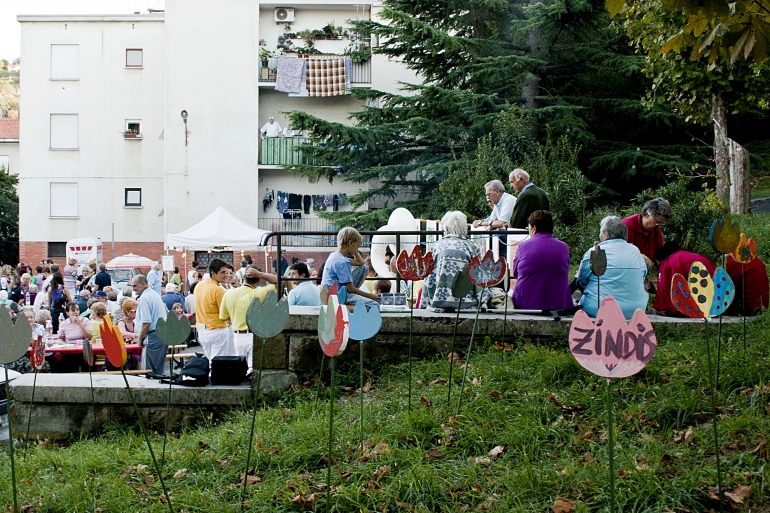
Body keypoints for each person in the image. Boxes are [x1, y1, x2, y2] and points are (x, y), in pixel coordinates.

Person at [576, 216, 648, 318]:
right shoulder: (636, 251)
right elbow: (643, 276)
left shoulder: (596, 251)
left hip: (598, 308)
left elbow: (582, 280)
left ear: (606, 236)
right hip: (634, 310)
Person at [423, 211, 488, 312]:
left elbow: (429, 277)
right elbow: (479, 277)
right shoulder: (472, 247)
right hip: (466, 304)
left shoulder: (437, 246)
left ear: (447, 229)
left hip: (439, 302)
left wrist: (425, 302)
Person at [511, 210, 573, 310]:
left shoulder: (523, 246)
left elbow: (515, 273)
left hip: (526, 303)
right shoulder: (564, 247)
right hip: (559, 304)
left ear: (534, 228)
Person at [219, 267, 267, 373]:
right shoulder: (260, 293)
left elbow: (223, 317)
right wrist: (261, 274)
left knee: (240, 368)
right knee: (252, 369)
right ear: (258, 281)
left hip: (238, 335)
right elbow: (278, 281)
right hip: (255, 334)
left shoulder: (229, 294)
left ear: (244, 278)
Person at [321, 227, 380, 309]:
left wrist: (355, 250)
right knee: (374, 305)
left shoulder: (335, 256)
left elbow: (361, 263)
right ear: (350, 242)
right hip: (337, 295)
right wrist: (370, 296)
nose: (357, 250)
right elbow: (350, 289)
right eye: (357, 246)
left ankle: (342, 305)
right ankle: (338, 308)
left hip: (333, 292)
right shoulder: (343, 262)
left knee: (364, 268)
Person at [652, 242, 716, 316]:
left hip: (688, 310)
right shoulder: (702, 258)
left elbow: (664, 290)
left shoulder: (667, 263)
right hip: (713, 307)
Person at [195, 258, 235, 361]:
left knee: (210, 362)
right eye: (222, 272)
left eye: (226, 272)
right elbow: (225, 314)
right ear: (213, 273)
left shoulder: (199, 285)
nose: (226, 275)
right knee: (217, 365)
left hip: (202, 329)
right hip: (218, 330)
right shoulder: (218, 290)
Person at [131, 274, 169, 376]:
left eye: (135, 286)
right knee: (158, 371)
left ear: (143, 284)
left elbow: (146, 323)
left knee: (147, 373)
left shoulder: (144, 298)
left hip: (153, 336)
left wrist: (140, 338)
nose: (133, 289)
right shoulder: (154, 294)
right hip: (162, 334)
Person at [472, 180, 516, 258]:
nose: (487, 197)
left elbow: (501, 222)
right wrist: (492, 223)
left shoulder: (508, 200)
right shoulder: (497, 203)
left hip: (510, 241)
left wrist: (480, 223)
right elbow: (492, 220)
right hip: (503, 239)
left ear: (497, 192)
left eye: (489, 194)